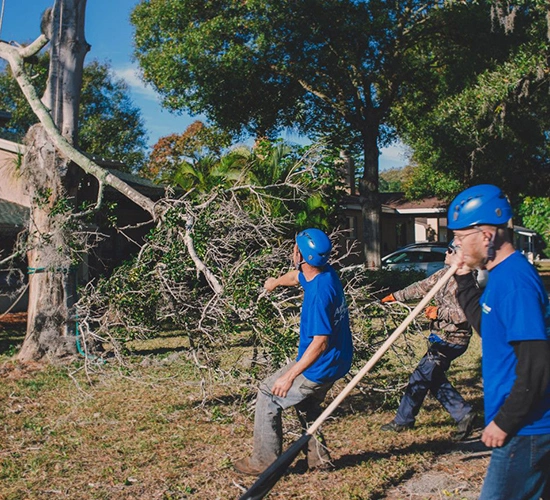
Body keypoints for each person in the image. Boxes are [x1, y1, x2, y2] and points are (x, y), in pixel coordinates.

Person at [447, 184, 550, 500]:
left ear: (487, 236)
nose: (456, 246)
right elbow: (486, 327)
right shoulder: (499, 275)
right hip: (522, 425)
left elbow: (537, 363)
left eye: (461, 237)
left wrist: (504, 423)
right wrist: (463, 279)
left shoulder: (515, 282)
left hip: (526, 429)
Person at [234, 228, 353, 476]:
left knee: (268, 394)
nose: (292, 250)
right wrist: (275, 283)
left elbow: (320, 342)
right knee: (307, 405)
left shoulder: (318, 296)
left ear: (300, 255)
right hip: (338, 361)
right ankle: (320, 461)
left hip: (320, 365)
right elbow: (297, 277)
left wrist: (289, 377)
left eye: (295, 247)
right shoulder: (325, 274)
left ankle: (264, 462)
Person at [379, 249, 476, 441]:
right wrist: (395, 296)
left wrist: (439, 312)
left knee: (421, 375)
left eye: (450, 250)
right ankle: (462, 414)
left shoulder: (465, 282)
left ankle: (403, 420)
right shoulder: (445, 273)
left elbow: (465, 314)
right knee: (432, 377)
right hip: (441, 337)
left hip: (453, 339)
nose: (446, 253)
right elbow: (422, 287)